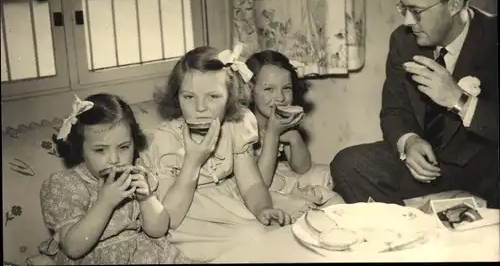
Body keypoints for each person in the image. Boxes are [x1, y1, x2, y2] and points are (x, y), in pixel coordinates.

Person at [330, 0, 499, 208]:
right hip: (431, 162)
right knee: (348, 164)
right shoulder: (404, 40)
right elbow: (393, 110)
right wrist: (408, 142)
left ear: (454, 5)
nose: (408, 21)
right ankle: (406, 233)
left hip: (487, 165)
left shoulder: (492, 37)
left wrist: (459, 100)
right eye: (404, 9)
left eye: (416, 11)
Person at [140, 46, 292, 262]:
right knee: (253, 242)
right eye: (188, 97)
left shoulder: (236, 126)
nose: (200, 107)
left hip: (227, 204)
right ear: (176, 97)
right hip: (186, 217)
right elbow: (170, 218)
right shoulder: (165, 140)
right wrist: (193, 160)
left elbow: (251, 183)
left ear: (230, 97)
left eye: (213, 96)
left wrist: (263, 208)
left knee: (275, 236)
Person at [38, 93, 191, 264]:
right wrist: (105, 203)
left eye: (124, 147)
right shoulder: (65, 185)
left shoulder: (137, 175)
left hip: (143, 256)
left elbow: (158, 231)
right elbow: (73, 249)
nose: (115, 159)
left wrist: (146, 199)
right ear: (80, 149)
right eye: (100, 150)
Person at [245, 50, 344, 219]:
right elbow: (260, 183)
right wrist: (272, 135)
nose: (280, 97)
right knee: (294, 203)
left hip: (279, 174)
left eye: (286, 88)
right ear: (250, 90)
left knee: (327, 174)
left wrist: (293, 137)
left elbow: (303, 167)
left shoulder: (280, 118)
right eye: (269, 89)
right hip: (254, 185)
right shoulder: (243, 125)